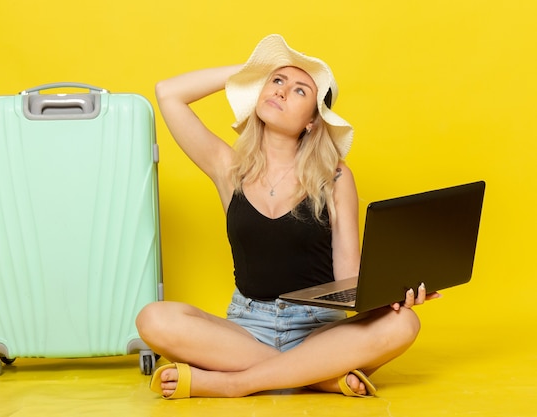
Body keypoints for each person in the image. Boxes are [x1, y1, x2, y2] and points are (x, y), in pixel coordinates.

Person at [136, 34, 439, 399]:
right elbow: (168, 92)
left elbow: (348, 277)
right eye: (277, 81)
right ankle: (319, 378)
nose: (280, 91)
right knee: (152, 319)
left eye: (299, 91)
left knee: (404, 323)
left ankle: (234, 383)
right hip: (246, 329)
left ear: (313, 120)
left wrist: (392, 293)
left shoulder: (336, 176)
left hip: (319, 331)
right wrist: (254, 71)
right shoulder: (228, 167)